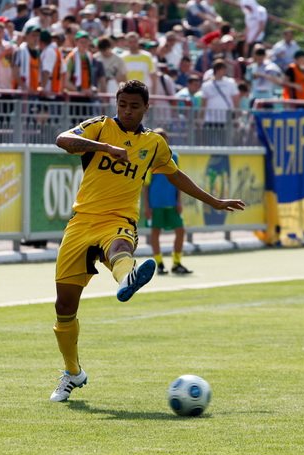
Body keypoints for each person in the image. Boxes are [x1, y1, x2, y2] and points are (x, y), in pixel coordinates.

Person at [50, 80, 245, 402]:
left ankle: (127, 277)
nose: (127, 111)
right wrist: (104, 148)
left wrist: (214, 201)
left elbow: (175, 174)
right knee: (64, 307)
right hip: (81, 221)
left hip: (119, 219)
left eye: (134, 106)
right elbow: (63, 140)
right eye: (123, 105)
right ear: (116, 104)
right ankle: (73, 372)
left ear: (146, 108)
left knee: (120, 247)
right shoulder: (100, 127)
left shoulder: (154, 143)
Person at [143, 128, 192, 275]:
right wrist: (147, 206)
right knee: (155, 232)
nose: (162, 141)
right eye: (159, 138)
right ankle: (159, 264)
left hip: (172, 203)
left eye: (164, 138)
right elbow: (146, 185)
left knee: (181, 230)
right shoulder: (149, 159)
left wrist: (179, 201)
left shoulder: (174, 157)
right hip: (156, 204)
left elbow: (179, 180)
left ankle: (176, 263)